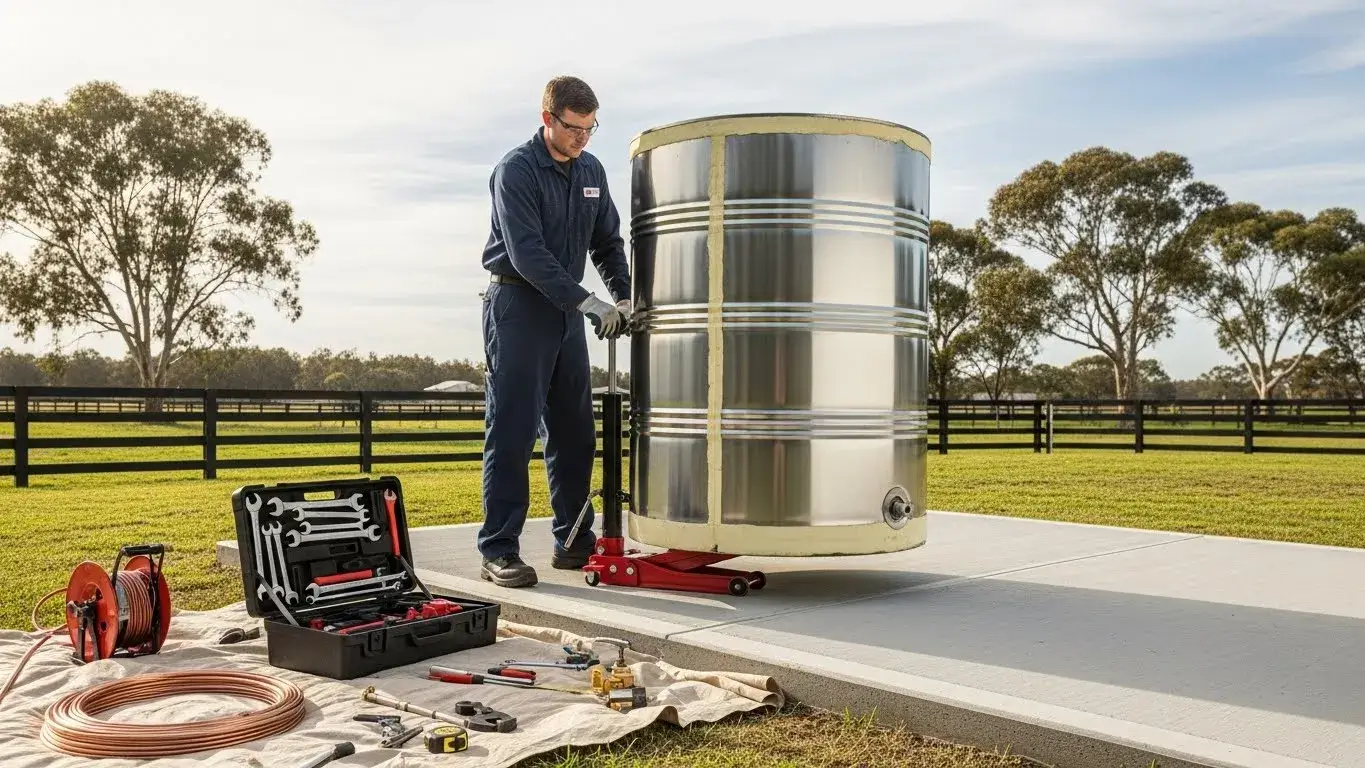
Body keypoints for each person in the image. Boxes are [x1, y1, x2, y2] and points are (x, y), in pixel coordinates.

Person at [476, 75, 632, 588]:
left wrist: (624, 294)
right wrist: (587, 301)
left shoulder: (591, 171)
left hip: (566, 315)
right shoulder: (516, 170)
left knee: (574, 433)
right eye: (573, 128)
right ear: (548, 119)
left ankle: (573, 541)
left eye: (590, 129)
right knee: (513, 430)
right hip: (518, 305)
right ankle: (498, 549)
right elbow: (527, 253)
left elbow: (607, 241)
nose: (582, 139)